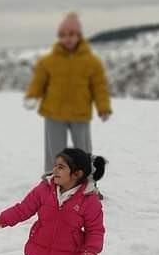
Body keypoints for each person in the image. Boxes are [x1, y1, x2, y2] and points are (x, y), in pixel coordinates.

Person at [24, 12, 113, 173]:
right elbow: (39, 81)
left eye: (72, 34)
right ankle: (52, 180)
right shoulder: (48, 62)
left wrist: (103, 106)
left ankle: (85, 180)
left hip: (80, 112)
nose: (68, 38)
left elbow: (99, 86)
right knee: (54, 150)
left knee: (83, 150)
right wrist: (32, 95)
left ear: (79, 36)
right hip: (53, 112)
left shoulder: (91, 62)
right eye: (63, 35)